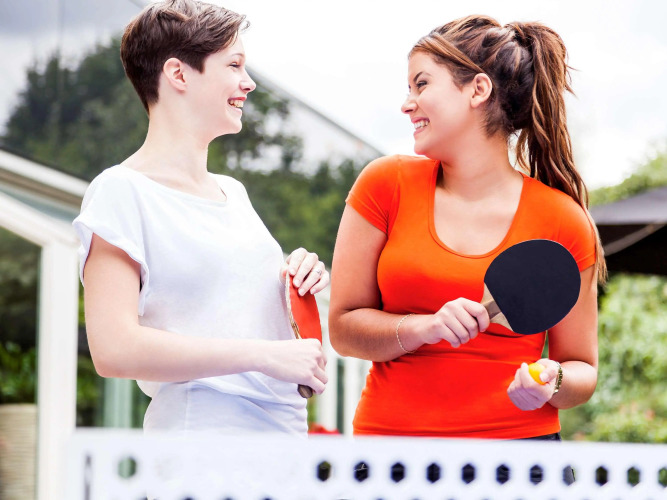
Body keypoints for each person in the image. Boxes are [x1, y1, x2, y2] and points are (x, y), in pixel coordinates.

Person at [329, 15, 605, 466]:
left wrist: (551, 379)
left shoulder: (564, 220)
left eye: (421, 84)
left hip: (519, 463)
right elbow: (343, 329)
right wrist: (424, 327)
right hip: (389, 456)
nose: (407, 104)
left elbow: (581, 369)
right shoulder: (384, 185)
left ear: (478, 90)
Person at [73, 0, 328, 438]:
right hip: (203, 439)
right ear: (178, 74)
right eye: (234, 64)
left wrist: (296, 274)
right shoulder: (121, 191)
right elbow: (113, 348)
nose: (248, 82)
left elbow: (228, 306)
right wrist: (262, 355)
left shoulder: (234, 193)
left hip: (282, 437)